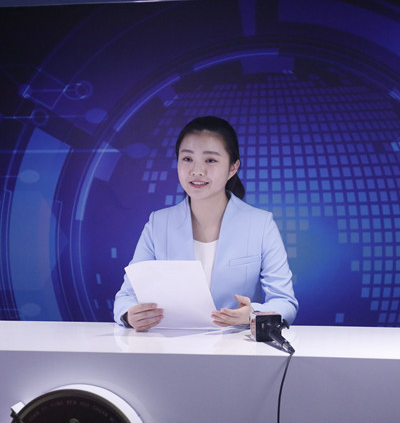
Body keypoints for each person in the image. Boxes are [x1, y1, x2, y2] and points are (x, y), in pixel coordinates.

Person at [113, 116, 298, 331]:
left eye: (210, 160)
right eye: (187, 159)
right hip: (171, 344)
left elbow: (285, 302)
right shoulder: (158, 224)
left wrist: (252, 315)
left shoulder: (260, 224)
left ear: (233, 167)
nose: (197, 171)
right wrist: (129, 315)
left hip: (238, 345)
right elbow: (126, 296)